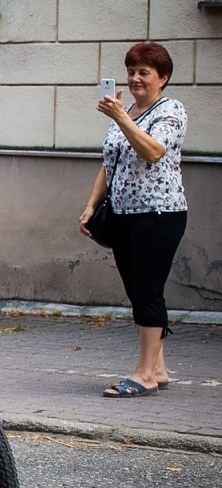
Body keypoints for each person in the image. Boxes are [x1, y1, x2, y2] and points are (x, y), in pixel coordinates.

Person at [78, 42, 188, 398]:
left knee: (147, 289)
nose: (135, 78)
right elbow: (110, 164)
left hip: (159, 214)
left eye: (144, 72)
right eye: (131, 71)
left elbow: (154, 151)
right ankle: (158, 367)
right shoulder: (128, 115)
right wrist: (92, 205)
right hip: (124, 214)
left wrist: (121, 117)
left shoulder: (170, 111)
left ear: (163, 78)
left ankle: (144, 374)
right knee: (137, 290)